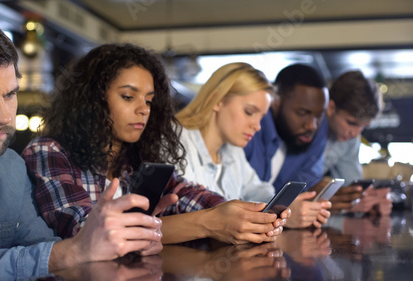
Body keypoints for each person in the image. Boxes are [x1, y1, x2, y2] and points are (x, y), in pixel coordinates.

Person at [0, 14, 164, 281]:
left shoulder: (10, 166)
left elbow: (39, 246)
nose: (4, 116)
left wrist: (119, 244)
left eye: (10, 94)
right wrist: (70, 253)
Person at [22, 43, 289, 246]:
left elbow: (189, 194)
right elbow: (88, 234)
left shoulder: (135, 158)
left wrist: (242, 215)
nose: (143, 110)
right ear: (91, 99)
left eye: (149, 100)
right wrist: (209, 222)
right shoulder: (48, 151)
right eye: (128, 97)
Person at [244, 64, 332, 228]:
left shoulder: (309, 136)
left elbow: (303, 191)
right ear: (275, 102)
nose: (312, 125)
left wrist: (311, 206)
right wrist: (282, 213)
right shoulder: (250, 130)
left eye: (319, 116)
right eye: (302, 113)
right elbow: (232, 198)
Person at [175, 62, 275, 203]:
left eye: (261, 117)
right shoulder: (174, 142)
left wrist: (283, 207)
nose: (257, 126)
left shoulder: (233, 150)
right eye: (249, 112)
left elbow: (256, 191)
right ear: (218, 101)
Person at [322, 70, 391, 214]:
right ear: (331, 107)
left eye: (363, 127)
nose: (355, 134)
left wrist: (369, 201)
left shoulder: (350, 140)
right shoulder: (305, 129)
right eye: (351, 122)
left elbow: (352, 187)